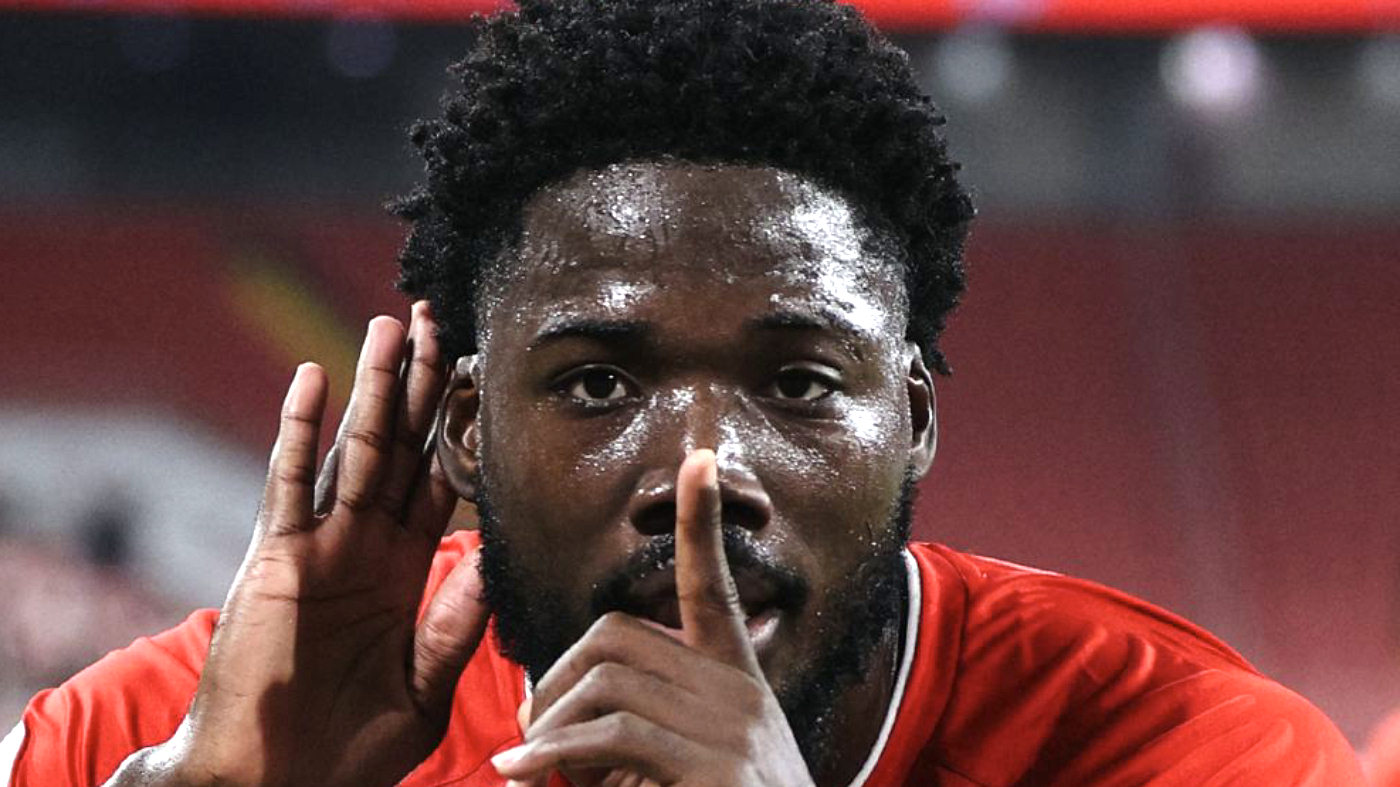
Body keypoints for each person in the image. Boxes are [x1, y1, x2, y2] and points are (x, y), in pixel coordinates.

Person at [2, 0, 1365, 784]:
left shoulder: (1197, 754)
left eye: (799, 381)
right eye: (598, 382)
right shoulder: (183, 735)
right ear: (466, 430)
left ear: (915, 420)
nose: (701, 471)